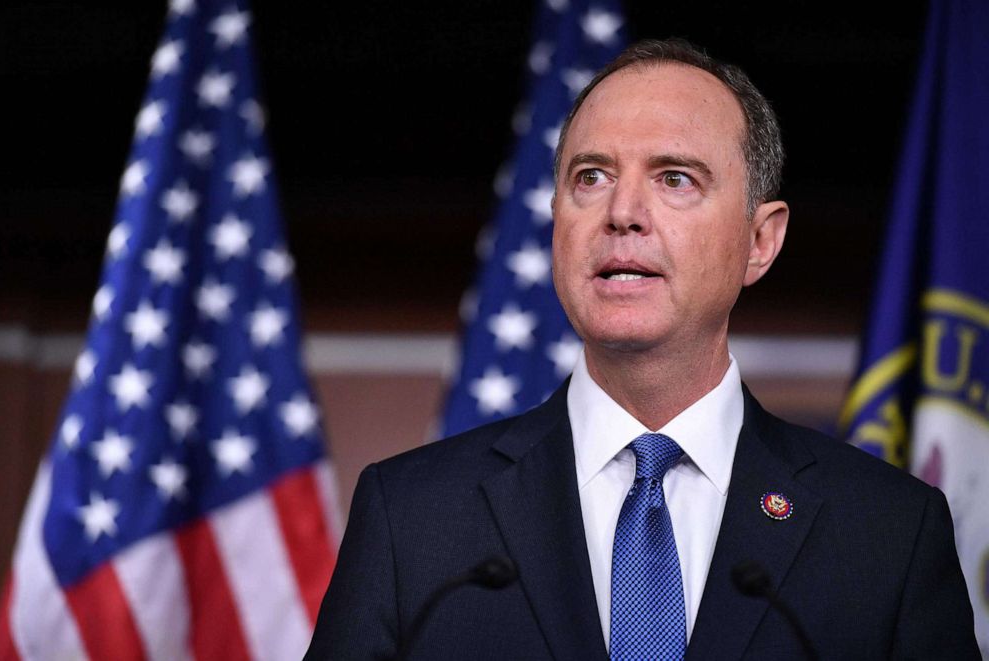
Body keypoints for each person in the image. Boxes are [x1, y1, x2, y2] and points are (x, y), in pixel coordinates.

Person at [305, 39, 979, 660]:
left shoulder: (887, 535)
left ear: (760, 240)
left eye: (675, 178)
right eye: (590, 177)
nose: (622, 211)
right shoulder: (413, 520)